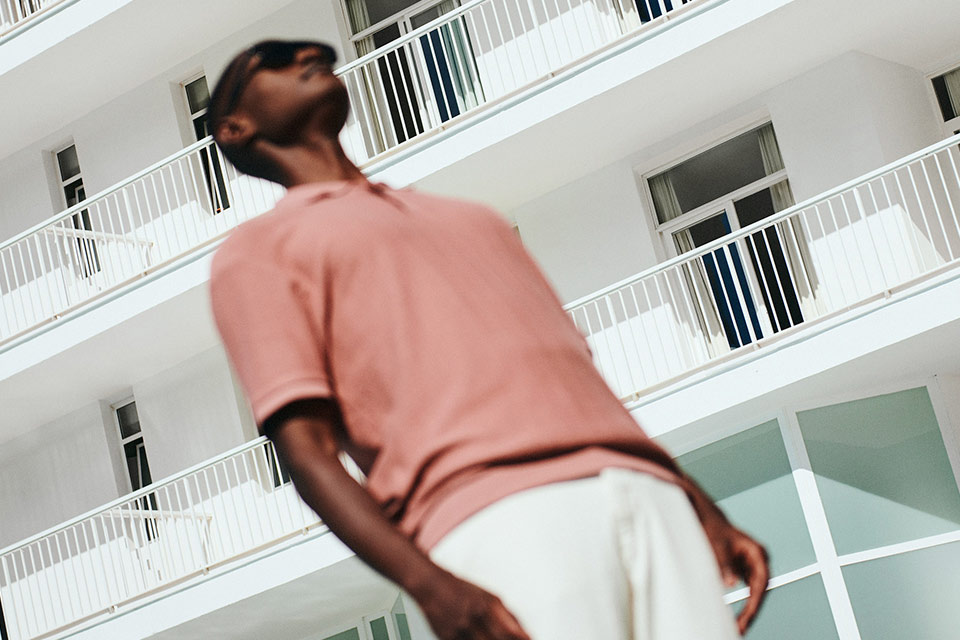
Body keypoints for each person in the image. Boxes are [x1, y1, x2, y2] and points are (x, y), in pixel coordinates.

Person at [208, 39, 769, 640]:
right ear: (234, 127)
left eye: (314, 51)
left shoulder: (474, 219)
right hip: (497, 521)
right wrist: (429, 585)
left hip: (649, 499)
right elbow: (307, 454)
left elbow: (575, 381)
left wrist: (694, 501)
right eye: (275, 59)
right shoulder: (257, 254)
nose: (310, 55)